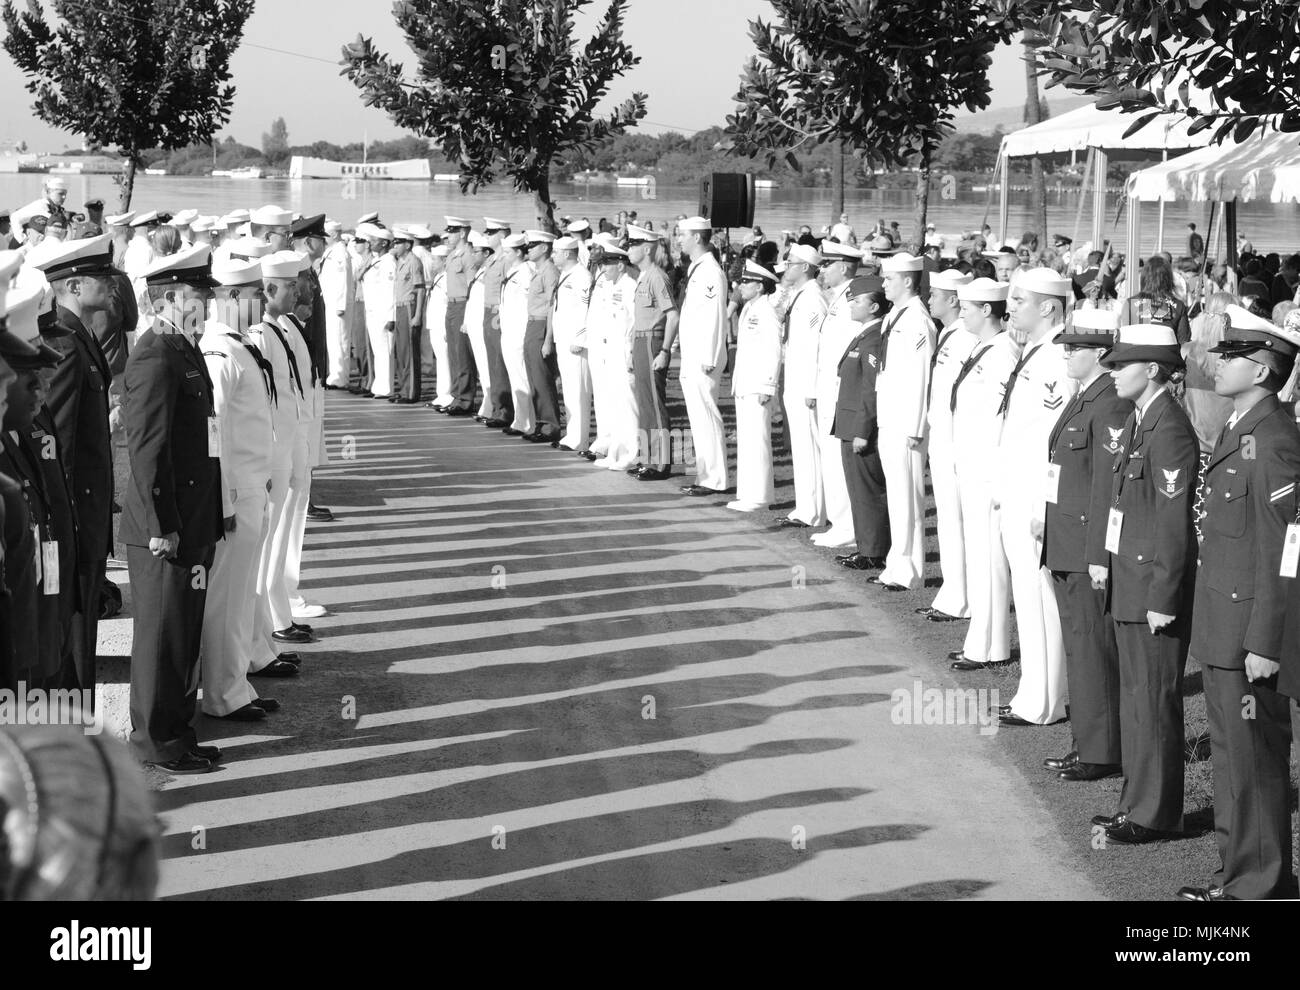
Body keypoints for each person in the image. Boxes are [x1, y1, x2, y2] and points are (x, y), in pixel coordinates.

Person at [1177, 307, 1300, 899]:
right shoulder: (1238, 426)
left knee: (1252, 761)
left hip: (1248, 632)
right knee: (1231, 760)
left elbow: (1286, 553)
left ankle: (1261, 884)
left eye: (1229, 355)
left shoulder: (1274, 441)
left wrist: (1264, 640)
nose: (1215, 362)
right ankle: (1239, 875)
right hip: (1224, 625)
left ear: (1261, 367)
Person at [1094, 322, 1199, 843]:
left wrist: (1163, 595)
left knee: (1154, 700)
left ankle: (1157, 814)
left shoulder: (1170, 427)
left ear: (1153, 369)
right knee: (1137, 699)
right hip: (1129, 582)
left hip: (1151, 590)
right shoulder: (1143, 418)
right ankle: (1135, 804)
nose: (1111, 372)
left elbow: (1173, 521)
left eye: (1121, 364)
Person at [121, 244, 224, 774]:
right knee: (162, 636)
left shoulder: (183, 346)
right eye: (200, 295)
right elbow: (147, 448)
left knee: (184, 632)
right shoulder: (155, 354)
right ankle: (155, 741)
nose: (207, 303)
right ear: (173, 297)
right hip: (166, 526)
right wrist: (163, 525)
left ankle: (179, 734)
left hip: (193, 516)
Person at [1041, 307, 1130, 782]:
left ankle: (1101, 750)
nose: (1067, 354)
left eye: (1075, 347)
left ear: (1100, 352)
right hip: (1065, 540)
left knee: (1093, 650)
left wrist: (1099, 553)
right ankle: (1089, 742)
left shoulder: (1110, 401)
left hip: (1084, 547)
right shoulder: (1085, 397)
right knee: (1079, 647)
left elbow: (1105, 488)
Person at [32, 236, 119, 694]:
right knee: (74, 645)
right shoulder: (63, 343)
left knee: (84, 639)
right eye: (102, 277)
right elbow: (58, 447)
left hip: (86, 517)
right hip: (75, 521)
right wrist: (65, 528)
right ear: (74, 284)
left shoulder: (78, 336)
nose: (111, 284)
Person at [993, 268, 1078, 726]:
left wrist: (1048, 505)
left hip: (1035, 498)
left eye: (1019, 301)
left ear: (1048, 306)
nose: (1010, 308)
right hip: (1019, 490)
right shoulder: (1038, 352)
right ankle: (1035, 691)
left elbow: (1057, 440)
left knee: (1039, 598)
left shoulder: (1056, 359)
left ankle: (1044, 700)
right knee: (1027, 598)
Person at [197, 257, 278, 722]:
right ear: (229, 298)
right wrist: (224, 500)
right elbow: (216, 433)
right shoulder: (219, 352)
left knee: (243, 593)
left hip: (252, 486)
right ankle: (223, 695)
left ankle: (238, 683)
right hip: (236, 491)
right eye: (253, 293)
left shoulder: (239, 345)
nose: (262, 301)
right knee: (226, 599)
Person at [244, 251, 306, 678]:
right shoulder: (260, 334)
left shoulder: (280, 328)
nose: (298, 290)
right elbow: (260, 404)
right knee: (262, 550)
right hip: (271, 452)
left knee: (272, 546)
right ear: (268, 290)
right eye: (290, 285)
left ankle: (267, 638)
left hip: (286, 447)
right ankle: (263, 641)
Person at [873, 252, 933, 592]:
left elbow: (920, 375)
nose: (883, 284)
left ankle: (910, 568)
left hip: (905, 420)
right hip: (890, 414)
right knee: (897, 494)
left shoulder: (916, 321)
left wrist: (914, 425)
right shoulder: (896, 316)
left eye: (889, 279)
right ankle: (896, 562)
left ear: (908, 281)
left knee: (908, 495)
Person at [919, 269, 974, 619]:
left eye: (935, 295)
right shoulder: (951, 334)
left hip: (954, 441)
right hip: (942, 436)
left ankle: (960, 597)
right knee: (947, 520)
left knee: (955, 521)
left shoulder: (964, 337)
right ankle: (952, 591)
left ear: (953, 299)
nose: (929, 300)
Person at [833, 276, 890, 570]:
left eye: (857, 301)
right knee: (858, 491)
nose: (851, 305)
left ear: (874, 306)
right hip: (849, 423)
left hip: (859, 428)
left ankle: (873, 550)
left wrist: (862, 431)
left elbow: (871, 389)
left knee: (867, 491)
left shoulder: (873, 338)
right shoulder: (864, 334)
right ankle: (866, 545)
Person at [812, 240, 863, 549]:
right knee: (829, 459)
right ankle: (838, 522)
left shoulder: (850, 300)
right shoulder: (838, 298)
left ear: (843, 267)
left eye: (827, 264)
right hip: (827, 386)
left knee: (837, 458)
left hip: (838, 388)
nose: (823, 270)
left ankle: (847, 525)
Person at [675, 217, 730, 497]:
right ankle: (705, 474)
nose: (679, 240)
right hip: (693, 354)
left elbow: (713, 316)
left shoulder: (709, 271)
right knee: (698, 418)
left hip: (702, 357)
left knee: (707, 417)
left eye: (682, 235)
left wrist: (709, 355)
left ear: (697, 237)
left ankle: (715, 478)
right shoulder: (698, 269)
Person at [728, 260, 783, 512]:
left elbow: (773, 349)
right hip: (745, 382)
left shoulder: (765, 310)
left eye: (746, 282)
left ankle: (760, 496)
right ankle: (748, 492)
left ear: (760, 286)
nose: (741, 285)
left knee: (758, 440)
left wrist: (768, 385)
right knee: (748, 440)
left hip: (758, 384)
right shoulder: (751, 307)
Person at [779, 244, 827, 530]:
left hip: (804, 382)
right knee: (800, 445)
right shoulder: (800, 295)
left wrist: (810, 388)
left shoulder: (812, 299)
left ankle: (812, 511)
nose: (787, 265)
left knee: (809, 447)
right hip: (794, 378)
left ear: (806, 267)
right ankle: (804, 506)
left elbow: (813, 347)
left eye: (792, 262)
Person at [626, 224, 678, 480]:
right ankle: (647, 457)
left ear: (646, 248)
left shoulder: (657, 276)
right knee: (645, 403)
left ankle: (660, 463)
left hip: (653, 342)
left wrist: (665, 350)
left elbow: (672, 315)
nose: (628, 249)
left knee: (655, 404)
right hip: (640, 340)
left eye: (633, 245)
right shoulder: (644, 276)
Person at [585, 240, 641, 471]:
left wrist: (630, 354)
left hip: (623, 351)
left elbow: (634, 322)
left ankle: (632, 453)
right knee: (614, 403)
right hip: (609, 351)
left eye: (607, 264)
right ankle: (616, 451)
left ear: (620, 264)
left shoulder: (629, 286)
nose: (603, 268)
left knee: (627, 404)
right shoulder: (610, 286)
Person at [551, 235, 593, 453]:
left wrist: (580, 338)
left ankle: (579, 438)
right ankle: (572, 434)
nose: (553, 255)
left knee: (578, 390)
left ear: (568, 253)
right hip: (564, 339)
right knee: (569, 389)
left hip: (575, 342)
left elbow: (586, 310)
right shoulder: (566, 274)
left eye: (556, 252)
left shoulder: (582, 276)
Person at [521, 230, 561, 444]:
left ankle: (550, 426)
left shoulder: (550, 272)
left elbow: (552, 307)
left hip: (542, 325)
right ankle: (540, 423)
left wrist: (548, 339)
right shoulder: (540, 271)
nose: (528, 249)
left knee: (542, 377)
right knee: (534, 377)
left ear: (545, 247)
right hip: (532, 323)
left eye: (533, 245)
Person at [498, 233, 535, 438]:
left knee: (522, 377)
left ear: (519, 252)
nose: (504, 255)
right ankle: (520, 419)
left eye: (508, 252)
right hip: (509, 330)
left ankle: (527, 421)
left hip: (519, 330)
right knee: (515, 377)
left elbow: (530, 303)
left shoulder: (526, 272)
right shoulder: (513, 270)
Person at [440, 217, 477, 414]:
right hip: (452, 304)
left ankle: (465, 399)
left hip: (463, 303)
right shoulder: (452, 254)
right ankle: (456, 395)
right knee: (453, 354)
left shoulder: (467, 255)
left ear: (462, 233)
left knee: (462, 354)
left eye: (453, 231)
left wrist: (468, 314)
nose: (449, 235)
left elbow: (471, 285)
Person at [479, 218, 514, 426]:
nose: (487, 236)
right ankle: (496, 406)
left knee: (500, 363)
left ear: (502, 235)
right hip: (487, 311)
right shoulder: (492, 259)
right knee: (492, 362)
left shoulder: (505, 261)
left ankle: (505, 411)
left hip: (496, 314)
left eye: (491, 233)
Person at [389, 226, 425, 404]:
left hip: (410, 307)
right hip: (400, 307)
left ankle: (411, 392)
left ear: (408, 245)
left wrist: (417, 315)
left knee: (410, 352)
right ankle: (403, 389)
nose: (395, 245)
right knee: (401, 351)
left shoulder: (413, 262)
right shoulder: (400, 261)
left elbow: (420, 290)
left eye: (399, 242)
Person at [359, 224, 396, 400]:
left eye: (374, 241)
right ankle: (379, 385)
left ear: (384, 243)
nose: (370, 243)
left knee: (384, 351)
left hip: (383, 313)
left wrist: (391, 316)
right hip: (373, 311)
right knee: (378, 350)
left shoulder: (388, 262)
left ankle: (386, 387)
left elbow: (390, 290)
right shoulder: (375, 261)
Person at [461, 231, 495, 421]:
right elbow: (472, 299)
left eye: (476, 251)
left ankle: (490, 405)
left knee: (487, 366)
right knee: (482, 367)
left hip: (484, 325)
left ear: (486, 253)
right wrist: (466, 321)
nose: (473, 255)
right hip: (474, 324)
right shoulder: (481, 271)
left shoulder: (490, 271)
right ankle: (487, 403)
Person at [1122, 255, 1191, 345]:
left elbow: (1125, 338)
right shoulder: (1179, 305)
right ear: (1168, 278)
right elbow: (1184, 341)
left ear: (1144, 277)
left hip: (1137, 355)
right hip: (1168, 356)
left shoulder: (1130, 303)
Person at [318, 219, 354, 390]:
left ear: (333, 234)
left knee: (340, 341)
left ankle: (340, 377)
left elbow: (342, 281)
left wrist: (341, 305)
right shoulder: (332, 251)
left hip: (338, 305)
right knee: (333, 341)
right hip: (330, 302)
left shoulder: (340, 253)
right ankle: (335, 374)